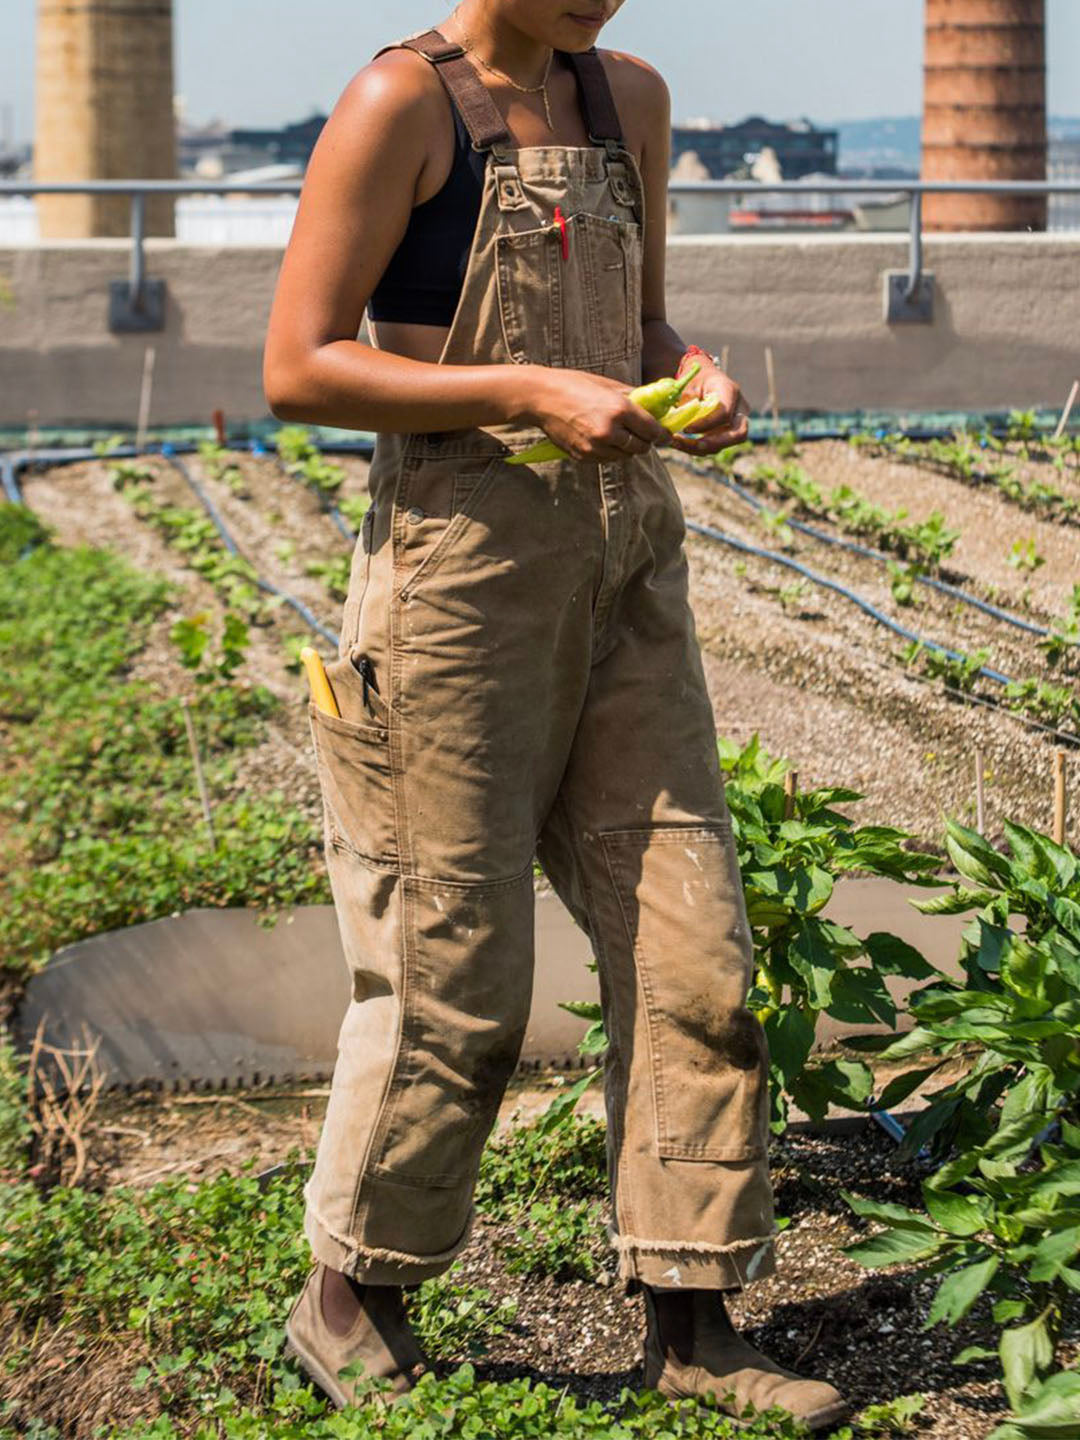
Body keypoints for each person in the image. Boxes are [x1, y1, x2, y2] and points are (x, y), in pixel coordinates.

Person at [262, 2, 848, 1430]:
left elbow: (638, 319)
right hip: (459, 577)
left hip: (627, 565)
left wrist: (690, 375)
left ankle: (695, 1323)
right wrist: (526, 385)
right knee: (452, 966)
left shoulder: (626, 97)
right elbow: (298, 367)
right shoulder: (399, 105)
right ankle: (350, 1298)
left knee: (695, 947)